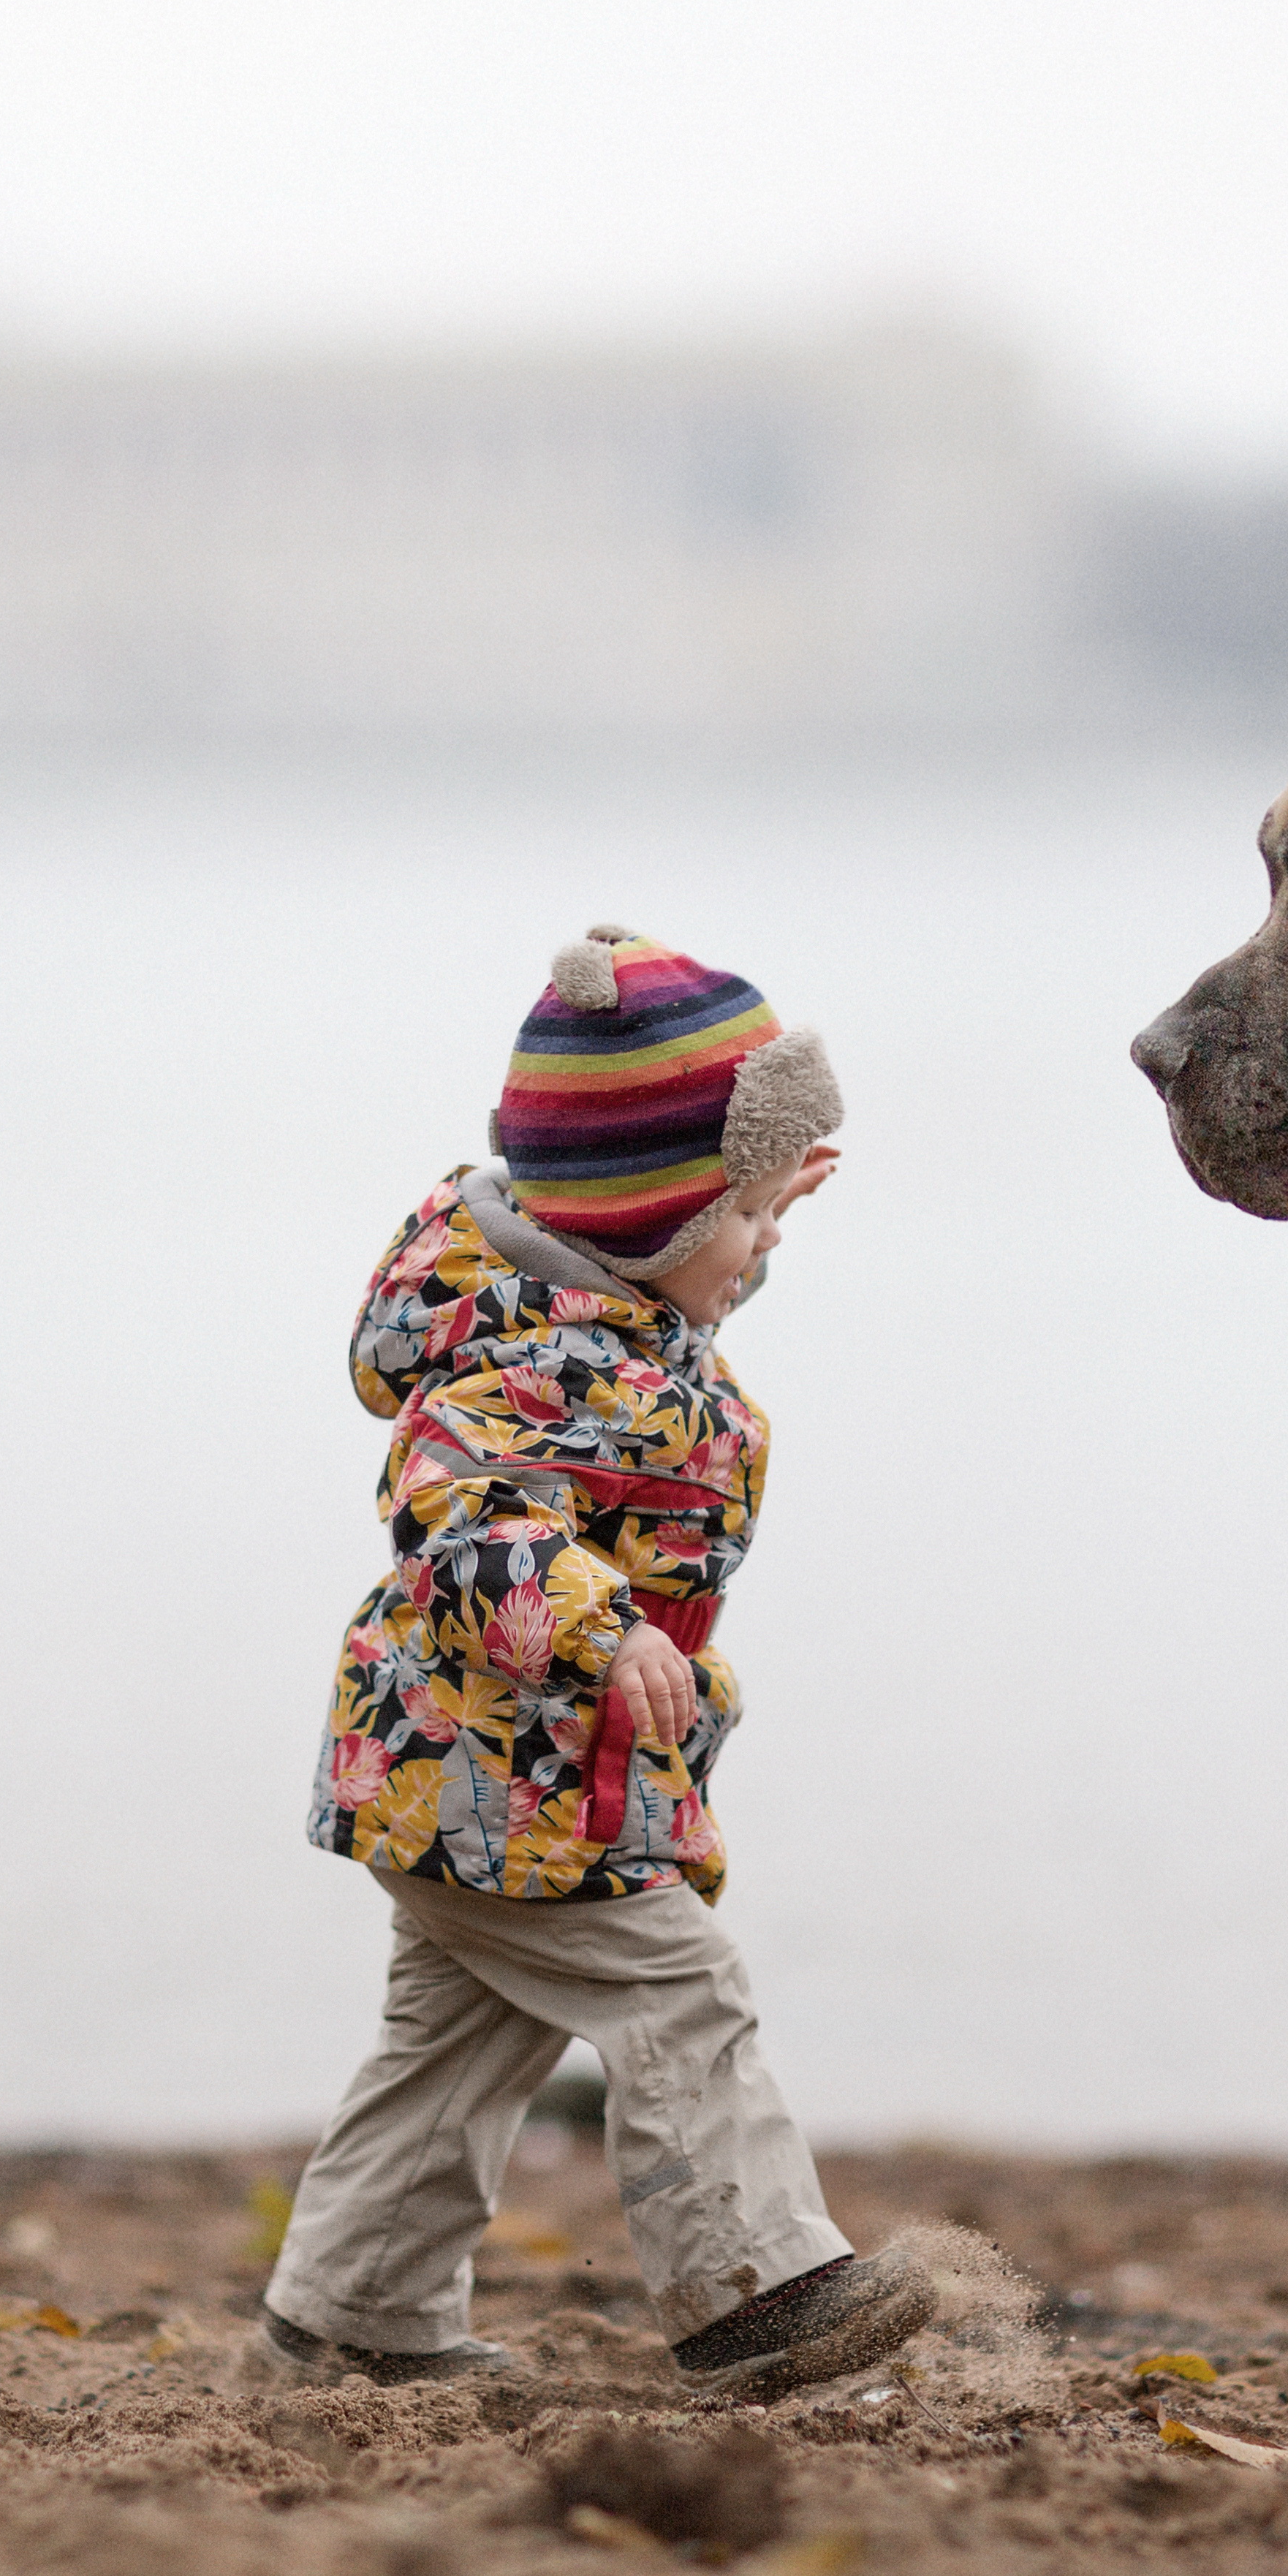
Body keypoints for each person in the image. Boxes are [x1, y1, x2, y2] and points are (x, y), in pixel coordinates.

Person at [260, 923, 933, 2396]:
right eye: (753, 1221)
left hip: (494, 1784)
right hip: (498, 1779)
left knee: (454, 2047)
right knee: (676, 1992)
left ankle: (350, 2320)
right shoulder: (517, 1360)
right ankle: (759, 2290)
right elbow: (466, 1522)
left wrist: (744, 1204)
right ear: (659, 1216)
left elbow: (672, 1316)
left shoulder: (605, 1306)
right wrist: (601, 1621)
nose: (765, 1252)